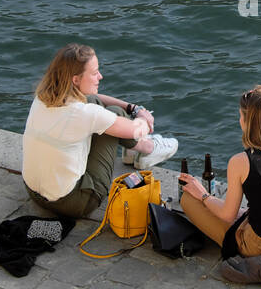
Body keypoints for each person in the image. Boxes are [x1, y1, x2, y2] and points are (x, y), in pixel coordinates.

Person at [21, 43, 178, 218]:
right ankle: (148, 150)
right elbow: (136, 130)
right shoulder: (83, 114)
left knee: (103, 110)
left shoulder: (42, 97)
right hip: (74, 203)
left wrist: (133, 108)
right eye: (95, 73)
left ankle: (133, 152)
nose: (100, 77)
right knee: (115, 115)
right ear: (75, 79)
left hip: (34, 193)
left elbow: (94, 99)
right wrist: (143, 116)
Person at [178, 84, 261, 258]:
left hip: (260, 246)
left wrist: (203, 195)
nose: (239, 120)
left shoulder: (240, 161)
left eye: (241, 116)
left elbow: (227, 216)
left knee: (188, 199)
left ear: (248, 123)